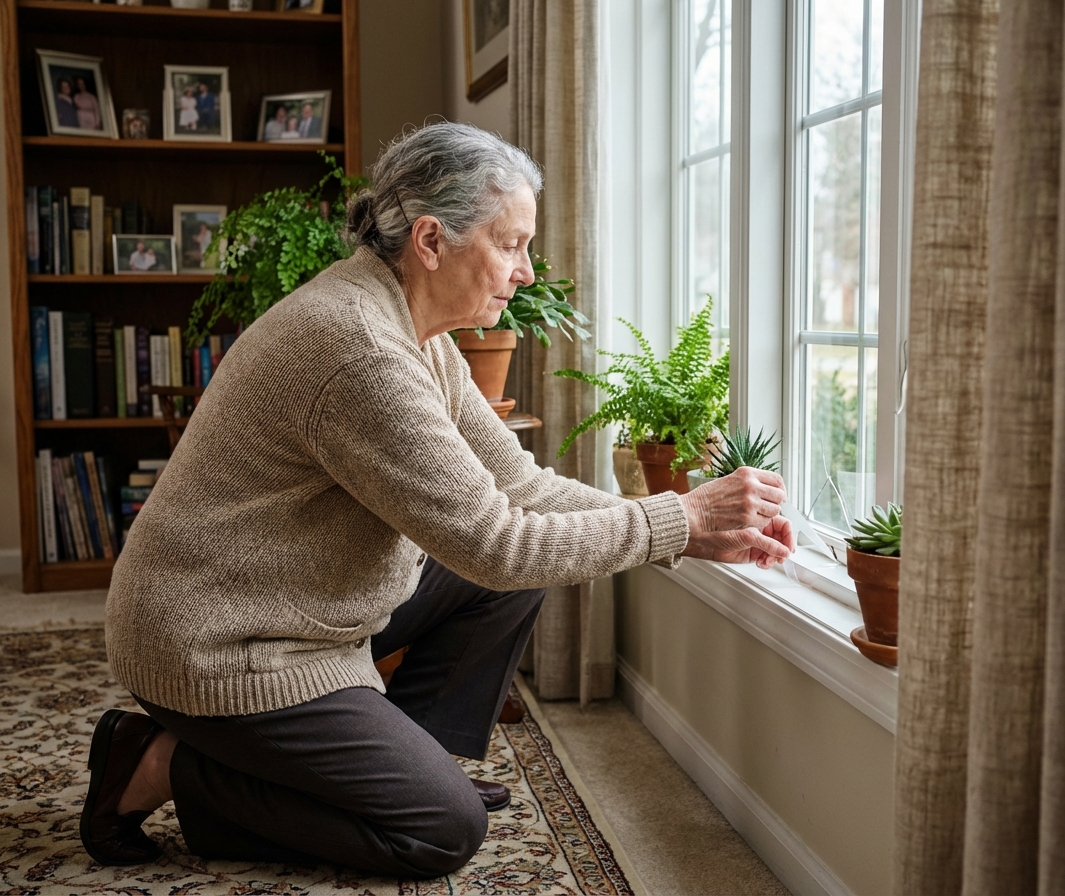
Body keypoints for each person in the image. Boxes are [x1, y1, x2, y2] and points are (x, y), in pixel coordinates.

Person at [81, 122, 793, 877]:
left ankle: (395, 766)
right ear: (430, 240)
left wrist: (680, 531)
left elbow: (518, 489)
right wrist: (680, 516)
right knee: (439, 834)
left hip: (298, 598)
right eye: (510, 243)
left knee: (511, 586)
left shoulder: (413, 327)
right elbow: (497, 541)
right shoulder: (361, 350)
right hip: (222, 641)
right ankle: (156, 764)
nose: (524, 271)